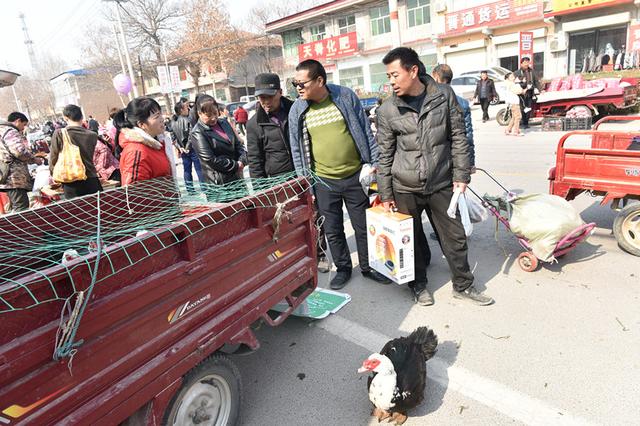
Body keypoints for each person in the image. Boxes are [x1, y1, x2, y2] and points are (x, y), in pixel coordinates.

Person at [376, 47, 493, 306]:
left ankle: (463, 285)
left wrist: (461, 175)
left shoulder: (444, 96)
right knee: (412, 241)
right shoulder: (387, 110)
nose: (391, 82)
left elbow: (458, 138)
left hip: (441, 182)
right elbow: (384, 155)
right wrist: (385, 194)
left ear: (413, 70)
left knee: (455, 237)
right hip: (405, 187)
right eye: (389, 76)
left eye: (395, 75)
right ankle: (418, 286)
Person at [288, 59, 391, 289]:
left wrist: (374, 163)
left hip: (355, 176)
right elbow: (296, 149)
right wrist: (305, 183)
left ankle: (368, 266)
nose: (298, 88)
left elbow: (364, 129)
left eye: (302, 83)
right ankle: (343, 268)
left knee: (363, 226)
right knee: (333, 229)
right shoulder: (298, 109)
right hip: (324, 180)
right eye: (295, 83)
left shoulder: (344, 96)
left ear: (319, 81)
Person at [246, 72, 331, 273]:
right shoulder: (254, 124)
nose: (265, 102)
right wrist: (262, 193)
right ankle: (294, 256)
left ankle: (319, 254)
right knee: (286, 223)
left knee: (314, 216)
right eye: (261, 97)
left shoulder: (297, 109)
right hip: (277, 183)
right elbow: (255, 161)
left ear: (280, 92)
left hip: (304, 174)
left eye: (270, 96)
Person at [430, 64, 476, 244]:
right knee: (458, 196)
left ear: (435, 76)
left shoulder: (433, 100)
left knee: (445, 202)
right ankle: (462, 230)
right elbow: (468, 136)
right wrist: (469, 163)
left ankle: (453, 235)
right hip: (459, 159)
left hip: (441, 160)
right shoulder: (462, 102)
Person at [114, 97, 176, 185]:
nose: (162, 119)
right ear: (142, 124)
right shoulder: (136, 151)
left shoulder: (156, 143)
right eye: (157, 116)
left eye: (161, 114)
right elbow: (136, 193)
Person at [190, 95, 247, 186]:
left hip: (237, 177)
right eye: (208, 115)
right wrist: (236, 165)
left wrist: (242, 160)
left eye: (215, 113)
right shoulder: (198, 132)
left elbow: (238, 145)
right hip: (220, 183)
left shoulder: (224, 123)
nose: (213, 118)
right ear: (199, 113)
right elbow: (210, 159)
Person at [49, 105, 102, 199]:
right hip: (90, 178)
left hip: (70, 180)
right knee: (97, 209)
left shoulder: (59, 134)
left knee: (77, 211)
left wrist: (53, 173)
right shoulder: (92, 135)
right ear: (81, 117)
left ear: (65, 118)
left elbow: (53, 157)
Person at [0, 112, 43, 212]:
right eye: (23, 125)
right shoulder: (9, 131)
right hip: (14, 178)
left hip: (4, 176)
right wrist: (34, 159)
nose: (23, 129)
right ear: (18, 121)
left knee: (13, 207)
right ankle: (22, 227)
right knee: (21, 209)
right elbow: (19, 151)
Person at [171, 100, 203, 194]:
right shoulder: (188, 120)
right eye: (186, 107)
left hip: (183, 150)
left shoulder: (173, 122)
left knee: (187, 169)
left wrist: (179, 147)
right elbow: (191, 135)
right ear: (181, 110)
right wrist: (187, 147)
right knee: (198, 168)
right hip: (191, 149)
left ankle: (190, 190)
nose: (188, 109)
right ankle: (205, 188)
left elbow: (173, 138)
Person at [513, 57, 541, 129]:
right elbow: (515, 83)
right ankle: (522, 121)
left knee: (528, 108)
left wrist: (540, 89)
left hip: (530, 92)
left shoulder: (532, 71)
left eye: (528, 62)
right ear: (521, 63)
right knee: (522, 108)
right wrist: (523, 85)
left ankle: (526, 123)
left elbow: (536, 81)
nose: (527, 64)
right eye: (525, 62)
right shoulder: (517, 73)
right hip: (521, 93)